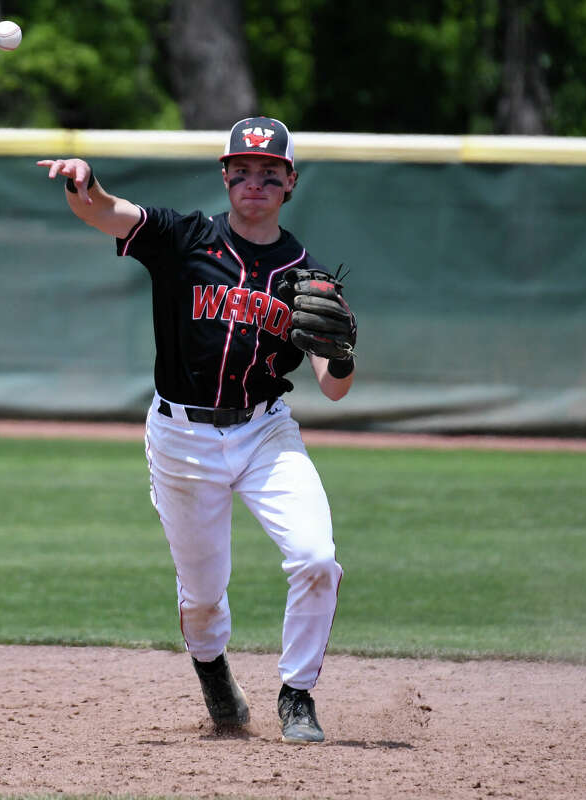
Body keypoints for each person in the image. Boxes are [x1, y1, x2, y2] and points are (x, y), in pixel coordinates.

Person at [37, 116, 355, 744]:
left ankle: (297, 695)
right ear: (225, 177)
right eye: (242, 172)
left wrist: (341, 352)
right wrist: (85, 184)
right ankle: (214, 677)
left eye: (269, 173)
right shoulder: (185, 238)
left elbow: (334, 385)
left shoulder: (305, 274)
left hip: (265, 433)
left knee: (317, 558)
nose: (254, 183)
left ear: (290, 182)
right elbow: (106, 212)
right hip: (181, 440)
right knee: (204, 597)